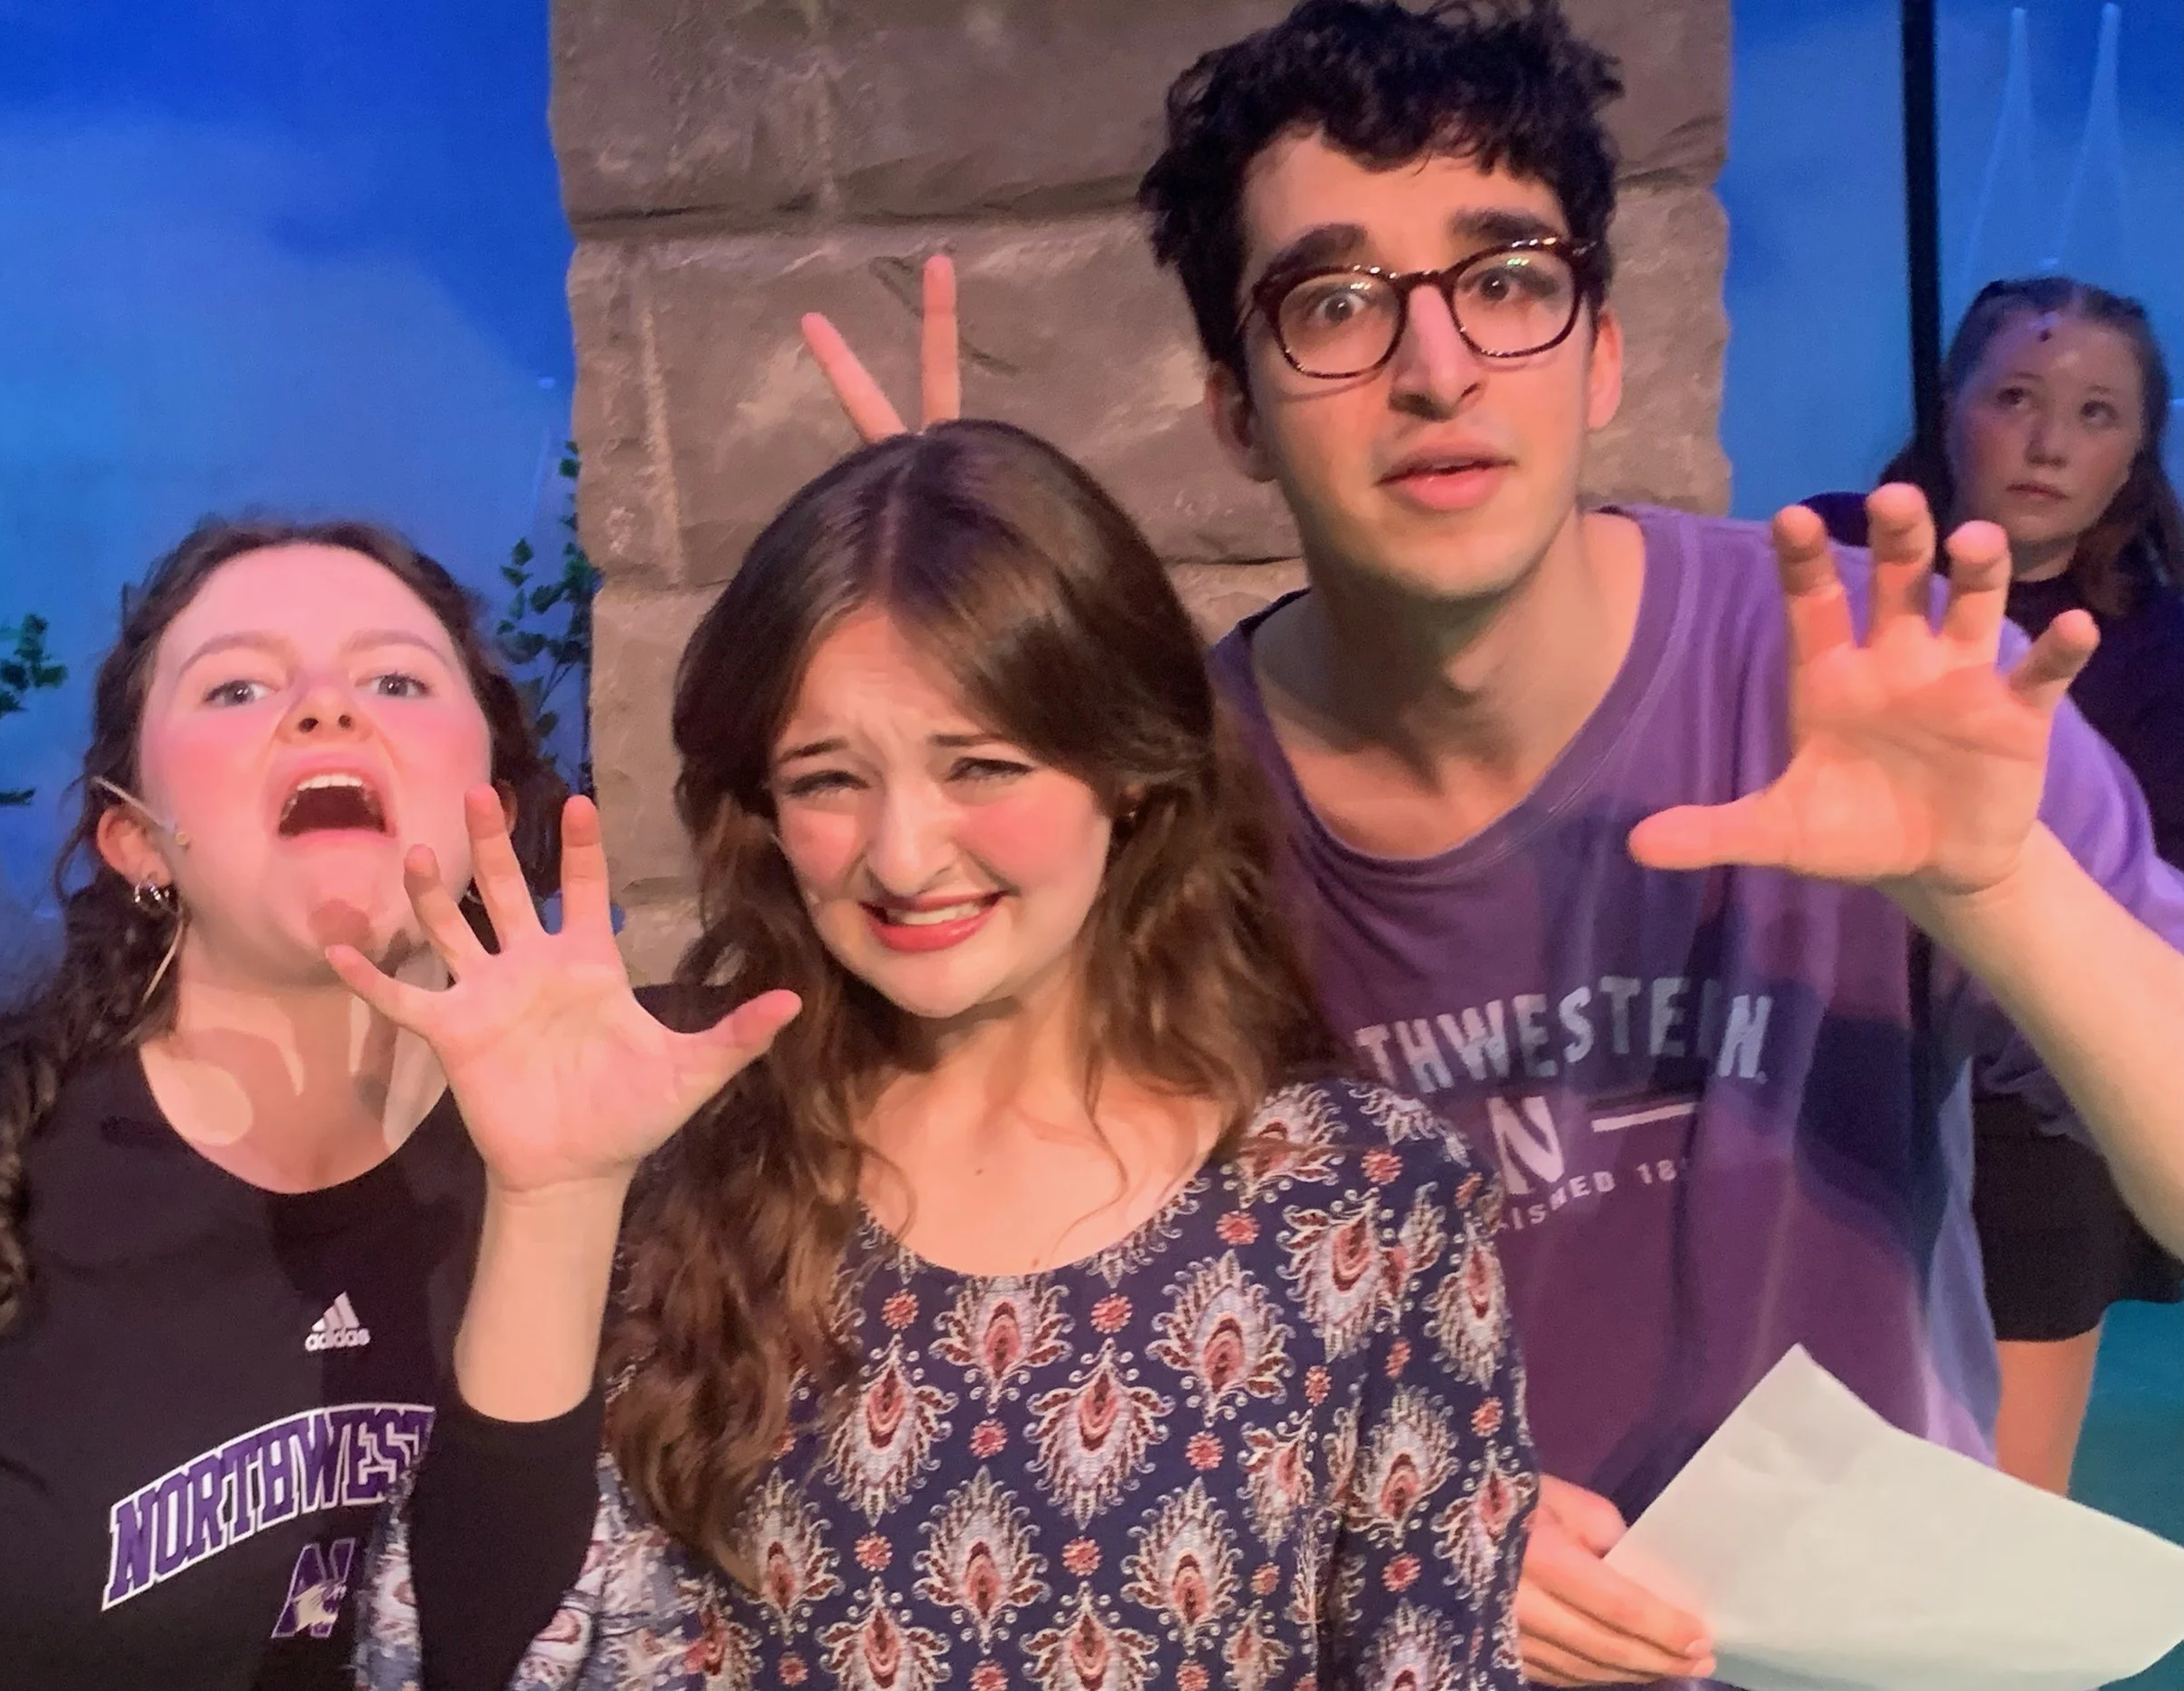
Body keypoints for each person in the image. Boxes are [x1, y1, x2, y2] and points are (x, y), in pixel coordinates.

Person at [802, 3, 2184, 1684]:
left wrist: (1999, 886)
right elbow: (1046, 1305)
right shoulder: (1165, 802)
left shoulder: (1841, 681)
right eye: (1333, 303)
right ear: (1236, 408)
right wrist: (1396, 1508)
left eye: (1507, 280)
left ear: (1602, 350)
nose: (1435, 367)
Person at [348, 419, 1539, 1691]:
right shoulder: (693, 1152)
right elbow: (461, 1659)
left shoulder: (1365, 1207)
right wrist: (553, 1197)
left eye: (981, 763)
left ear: (1128, 771)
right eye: (827, 780)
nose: (905, 854)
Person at [0, 519, 564, 1690]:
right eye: (236, 685)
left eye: (394, 677)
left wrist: (935, 575)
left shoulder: (614, 1147)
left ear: (498, 801)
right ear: (134, 837)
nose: (326, 707)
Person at [1803, 277, 2184, 1494]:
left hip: (2034, 1101)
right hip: (1819, 1064)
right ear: (1953, 404)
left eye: (2095, 412)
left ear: (2137, 450)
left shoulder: (2166, 651)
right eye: (2016, 395)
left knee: (2008, 1510)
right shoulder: (1824, 575)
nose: (2050, 440)